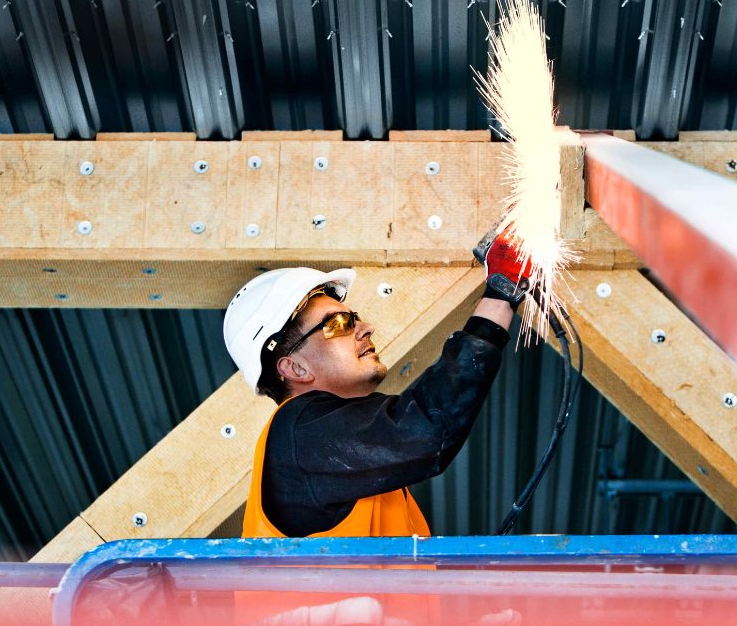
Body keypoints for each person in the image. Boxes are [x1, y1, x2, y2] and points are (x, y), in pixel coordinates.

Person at [221, 229, 528, 541]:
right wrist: (501, 294)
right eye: (339, 324)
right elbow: (426, 428)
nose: (366, 328)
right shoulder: (298, 431)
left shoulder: (344, 463)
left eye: (355, 318)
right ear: (294, 367)